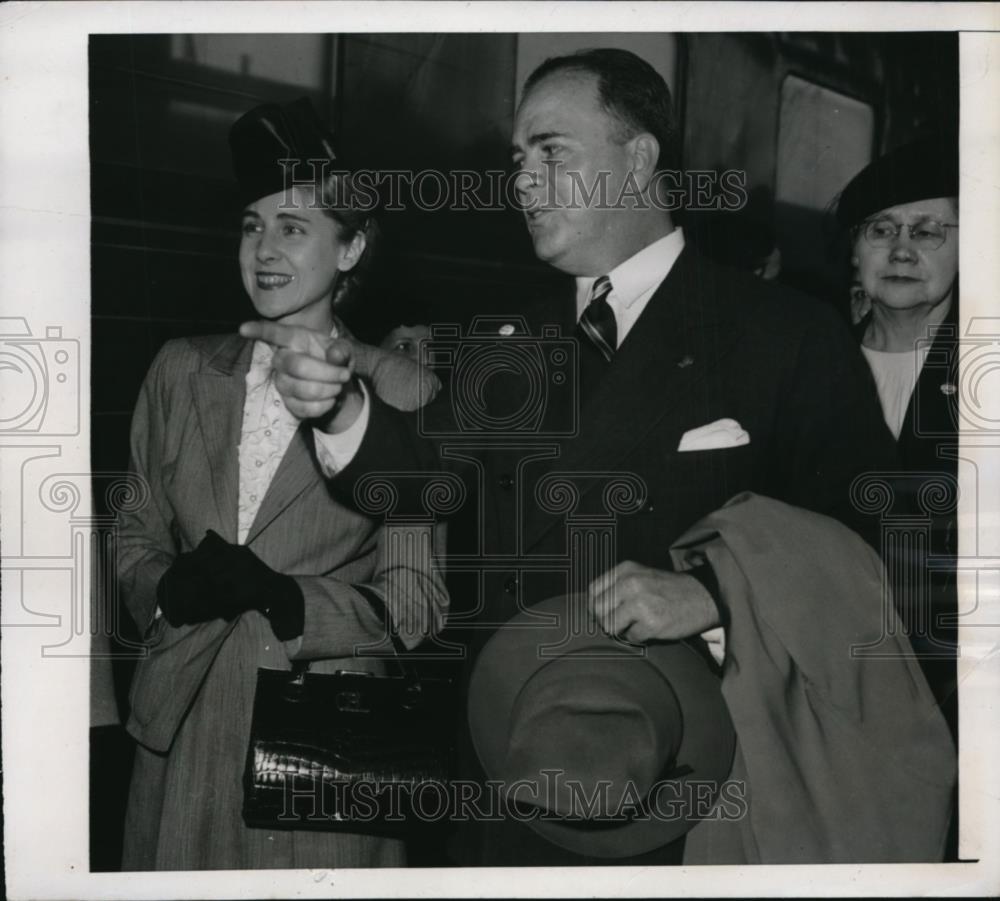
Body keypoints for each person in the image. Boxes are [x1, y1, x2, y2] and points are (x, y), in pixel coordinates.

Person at [242, 50, 913, 864]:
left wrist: (714, 591)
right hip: (514, 758)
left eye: (551, 151)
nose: (523, 180)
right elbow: (422, 479)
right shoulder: (507, 342)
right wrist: (340, 407)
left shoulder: (784, 335)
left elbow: (876, 537)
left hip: (689, 781)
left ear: (637, 160)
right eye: (518, 159)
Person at [117, 98, 448, 871]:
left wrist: (293, 601)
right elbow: (133, 533)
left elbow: (418, 600)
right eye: (251, 224)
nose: (263, 248)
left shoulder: (405, 393)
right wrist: (170, 591)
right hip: (179, 721)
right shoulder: (180, 369)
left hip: (322, 737)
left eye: (294, 227)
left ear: (353, 246)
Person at [836, 137, 960, 734]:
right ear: (855, 251)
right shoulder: (808, 360)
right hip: (830, 666)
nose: (902, 251)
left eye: (929, 231)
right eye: (881, 231)